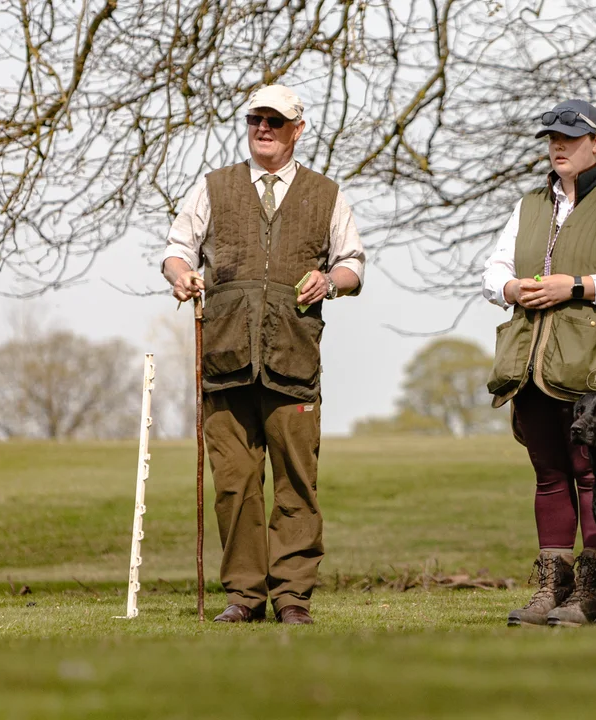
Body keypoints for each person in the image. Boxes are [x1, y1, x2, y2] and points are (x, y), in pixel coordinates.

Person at [161, 84, 364, 625]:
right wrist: (181, 275)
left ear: (298, 129)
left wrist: (331, 281)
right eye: (255, 119)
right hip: (224, 361)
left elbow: (353, 264)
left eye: (275, 120)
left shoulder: (326, 194)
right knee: (234, 484)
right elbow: (177, 250)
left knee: (297, 484)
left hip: (293, 361)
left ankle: (292, 597)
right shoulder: (213, 186)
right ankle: (244, 597)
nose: (263, 129)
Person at [483, 99, 596, 627]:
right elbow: (493, 270)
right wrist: (511, 288)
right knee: (548, 474)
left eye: (569, 137)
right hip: (530, 360)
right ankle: (551, 590)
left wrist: (576, 286)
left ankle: (593, 592)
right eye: (551, 138)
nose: (557, 145)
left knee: (592, 474)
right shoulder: (529, 205)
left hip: (595, 360)